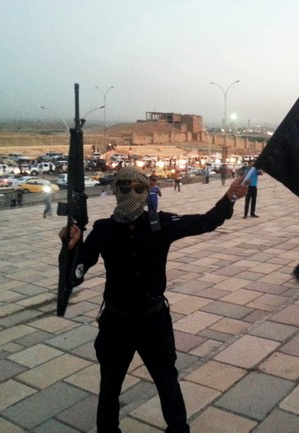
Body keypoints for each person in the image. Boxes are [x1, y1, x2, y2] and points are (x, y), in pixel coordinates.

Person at [59, 166, 248, 433]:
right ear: (116, 191)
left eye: (138, 188)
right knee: (110, 386)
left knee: (167, 381)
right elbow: (75, 276)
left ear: (147, 191)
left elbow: (206, 221)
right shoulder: (103, 231)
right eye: (124, 188)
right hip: (116, 323)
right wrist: (70, 248)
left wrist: (229, 197)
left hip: (153, 321)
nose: (130, 193)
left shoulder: (162, 224)